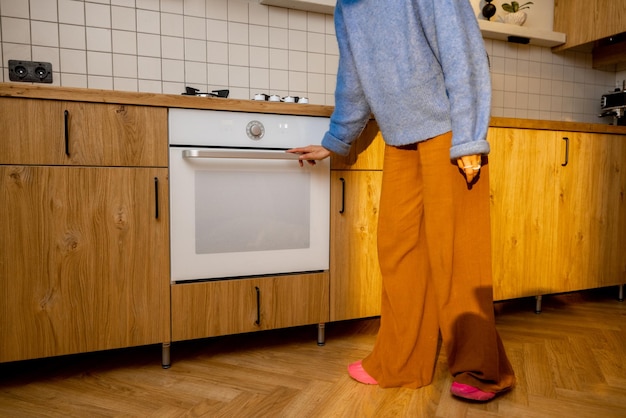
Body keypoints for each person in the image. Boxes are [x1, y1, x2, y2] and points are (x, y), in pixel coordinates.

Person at [287, 0, 516, 402]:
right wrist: (335, 142)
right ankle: (401, 360)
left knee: (457, 255)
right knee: (398, 248)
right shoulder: (348, 8)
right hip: (400, 138)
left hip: (447, 132)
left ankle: (481, 371)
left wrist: (468, 136)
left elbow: (463, 52)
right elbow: (353, 79)